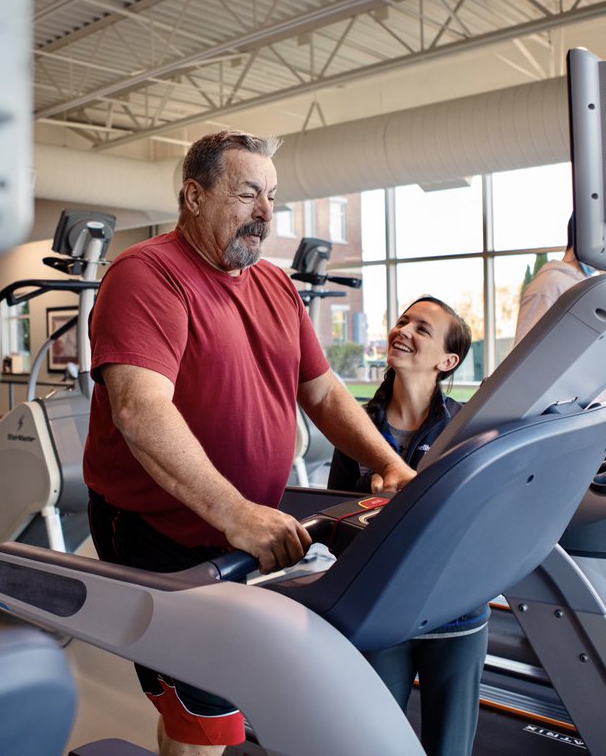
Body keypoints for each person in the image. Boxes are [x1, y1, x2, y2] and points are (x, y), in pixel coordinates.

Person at [83, 129, 418, 756]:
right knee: (206, 709)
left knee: (201, 701)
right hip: (162, 530)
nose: (265, 213)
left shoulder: (275, 286)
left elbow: (322, 394)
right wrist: (238, 514)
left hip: (236, 529)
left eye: (271, 196)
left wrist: (393, 467)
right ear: (193, 195)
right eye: (245, 194)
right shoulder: (147, 275)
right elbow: (139, 410)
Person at [327, 296, 488, 756]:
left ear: (447, 360)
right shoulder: (355, 426)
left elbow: (480, 522)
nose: (405, 331)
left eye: (422, 329)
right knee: (374, 743)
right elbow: (336, 523)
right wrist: (369, 508)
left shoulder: (469, 427)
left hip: (454, 612)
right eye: (402, 321)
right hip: (380, 610)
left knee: (450, 749)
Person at [516, 214, 606, 405]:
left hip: (597, 409)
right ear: (587, 238)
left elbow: (581, 355)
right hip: (572, 411)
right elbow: (525, 362)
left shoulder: (588, 286)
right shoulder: (549, 285)